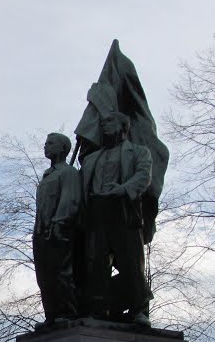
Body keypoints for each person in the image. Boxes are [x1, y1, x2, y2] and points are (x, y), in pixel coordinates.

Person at [80, 112, 152, 326]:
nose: (104, 126)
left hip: (123, 208)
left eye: (110, 122)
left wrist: (123, 189)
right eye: (102, 123)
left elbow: (143, 176)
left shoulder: (139, 152)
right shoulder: (92, 158)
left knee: (131, 261)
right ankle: (100, 309)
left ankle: (139, 309)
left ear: (124, 126)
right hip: (97, 211)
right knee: (97, 263)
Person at [33, 132, 83, 327]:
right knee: (44, 276)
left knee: (61, 273)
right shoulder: (47, 175)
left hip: (59, 229)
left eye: (51, 143)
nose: (46, 146)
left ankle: (67, 312)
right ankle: (51, 315)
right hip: (41, 231)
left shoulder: (68, 173)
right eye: (46, 143)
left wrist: (58, 223)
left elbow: (70, 200)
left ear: (63, 148)